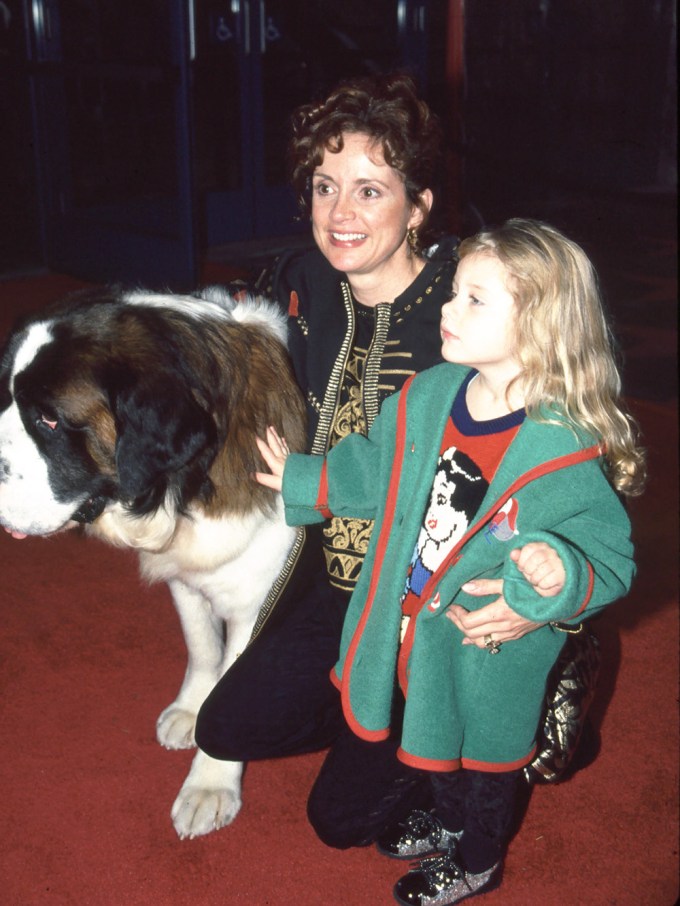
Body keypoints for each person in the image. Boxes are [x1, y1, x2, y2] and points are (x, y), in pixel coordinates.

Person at [254, 218, 644, 905]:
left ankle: (478, 857)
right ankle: (447, 819)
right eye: (452, 293)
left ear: (542, 326)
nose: (447, 309)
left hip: (488, 651)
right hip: (409, 625)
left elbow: (609, 556)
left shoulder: (563, 450)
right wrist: (303, 479)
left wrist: (560, 576)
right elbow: (373, 468)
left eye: (474, 299)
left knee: (484, 767)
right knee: (429, 741)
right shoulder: (431, 395)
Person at [195, 72, 481, 766]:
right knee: (226, 728)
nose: (340, 213)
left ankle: (497, 688)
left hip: (431, 587)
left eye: (370, 190)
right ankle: (371, 705)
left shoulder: (470, 294)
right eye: (325, 186)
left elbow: (564, 415)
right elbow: (199, 359)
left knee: (343, 820)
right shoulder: (302, 280)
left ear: (418, 208)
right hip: (331, 578)